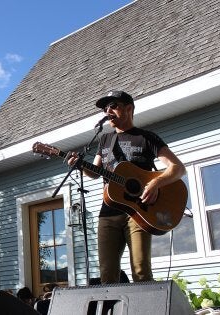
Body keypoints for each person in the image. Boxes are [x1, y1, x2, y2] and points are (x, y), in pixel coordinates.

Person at [68, 90, 186, 284]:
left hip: (139, 212)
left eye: (113, 106)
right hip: (109, 212)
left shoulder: (147, 138)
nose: (108, 111)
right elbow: (95, 173)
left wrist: (156, 182)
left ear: (129, 108)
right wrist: (79, 166)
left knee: (141, 271)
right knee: (107, 273)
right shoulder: (105, 140)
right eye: (105, 108)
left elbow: (178, 168)